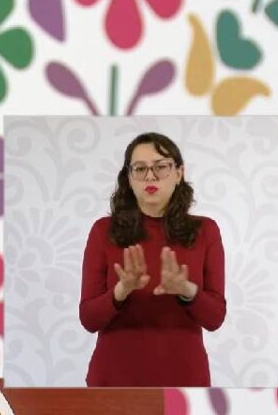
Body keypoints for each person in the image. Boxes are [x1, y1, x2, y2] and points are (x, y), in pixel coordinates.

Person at [78, 132, 225, 387]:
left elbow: (215, 318)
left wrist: (186, 290)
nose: (150, 176)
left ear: (179, 173)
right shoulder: (103, 231)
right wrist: (121, 291)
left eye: (161, 167)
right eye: (140, 168)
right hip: (113, 383)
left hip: (184, 382)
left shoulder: (206, 231)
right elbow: (88, 319)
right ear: (129, 178)